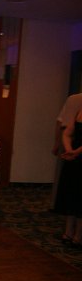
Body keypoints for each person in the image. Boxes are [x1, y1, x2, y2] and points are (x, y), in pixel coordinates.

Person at [53, 92, 82, 248]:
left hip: (79, 156)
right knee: (71, 194)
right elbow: (67, 131)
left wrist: (76, 152)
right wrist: (69, 148)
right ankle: (68, 232)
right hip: (74, 159)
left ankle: (78, 235)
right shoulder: (78, 109)